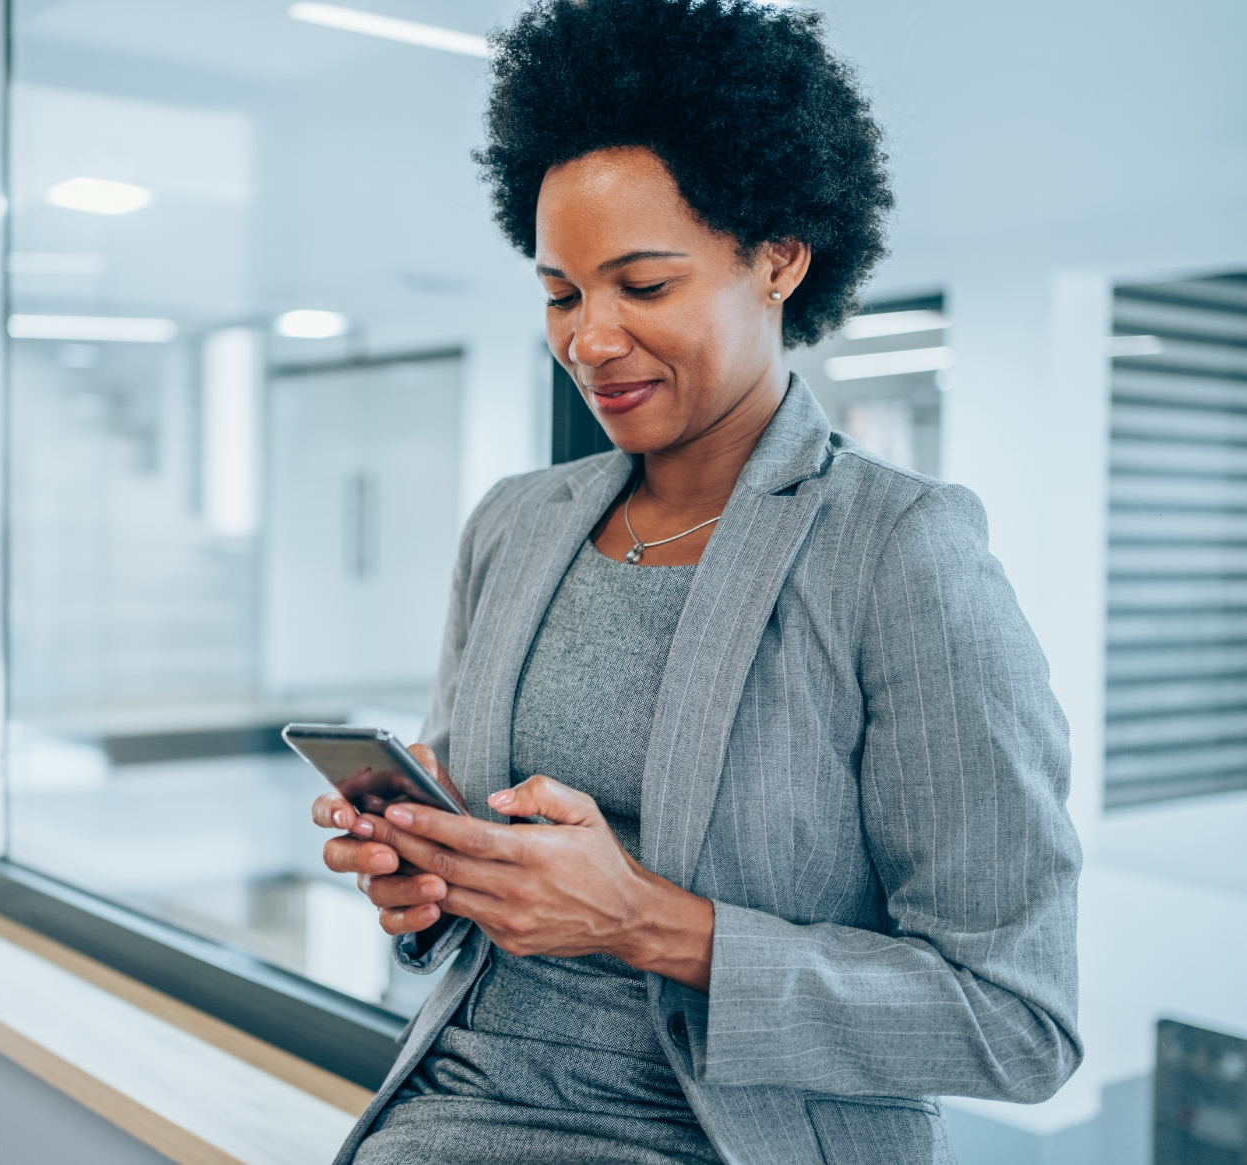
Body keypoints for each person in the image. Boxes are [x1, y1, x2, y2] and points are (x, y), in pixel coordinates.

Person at [310, 1, 1084, 1162]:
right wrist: (430, 883)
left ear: (776, 257)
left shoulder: (898, 551)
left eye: (644, 285)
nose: (590, 339)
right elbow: (470, 892)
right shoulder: (515, 526)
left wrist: (651, 927)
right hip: (449, 1107)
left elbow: (1015, 1023)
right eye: (563, 293)